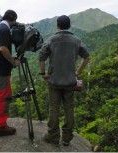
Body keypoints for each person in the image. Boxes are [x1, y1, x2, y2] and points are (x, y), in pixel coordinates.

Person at [38, 15, 90, 146]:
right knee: (69, 108)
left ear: (57, 25)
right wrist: (77, 72)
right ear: (69, 26)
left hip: (54, 81)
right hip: (70, 82)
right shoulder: (76, 40)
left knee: (54, 108)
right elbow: (87, 57)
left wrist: (43, 73)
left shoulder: (51, 40)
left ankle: (53, 137)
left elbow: (41, 58)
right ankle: (67, 138)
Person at [0, 9, 21, 136]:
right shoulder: (5, 30)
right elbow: (3, 48)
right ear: (13, 20)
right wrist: (13, 62)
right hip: (1, 71)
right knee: (2, 98)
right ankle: (0, 126)